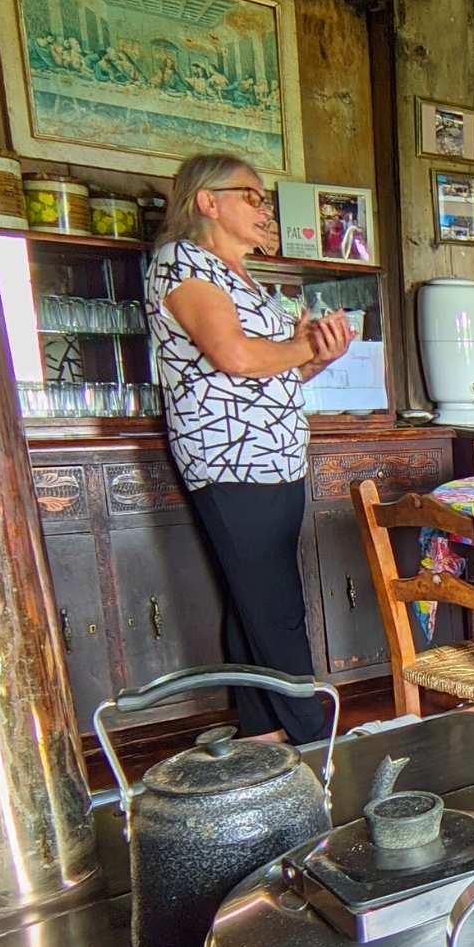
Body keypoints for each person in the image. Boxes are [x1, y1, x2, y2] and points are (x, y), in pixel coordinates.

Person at [148, 155, 355, 742]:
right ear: (207, 202)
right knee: (275, 607)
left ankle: (263, 733)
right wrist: (300, 349)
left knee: (254, 605)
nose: (264, 208)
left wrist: (317, 355)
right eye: (252, 196)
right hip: (230, 457)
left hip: (273, 459)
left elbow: (272, 372)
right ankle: (314, 739)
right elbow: (234, 358)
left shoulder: (243, 279)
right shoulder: (183, 265)